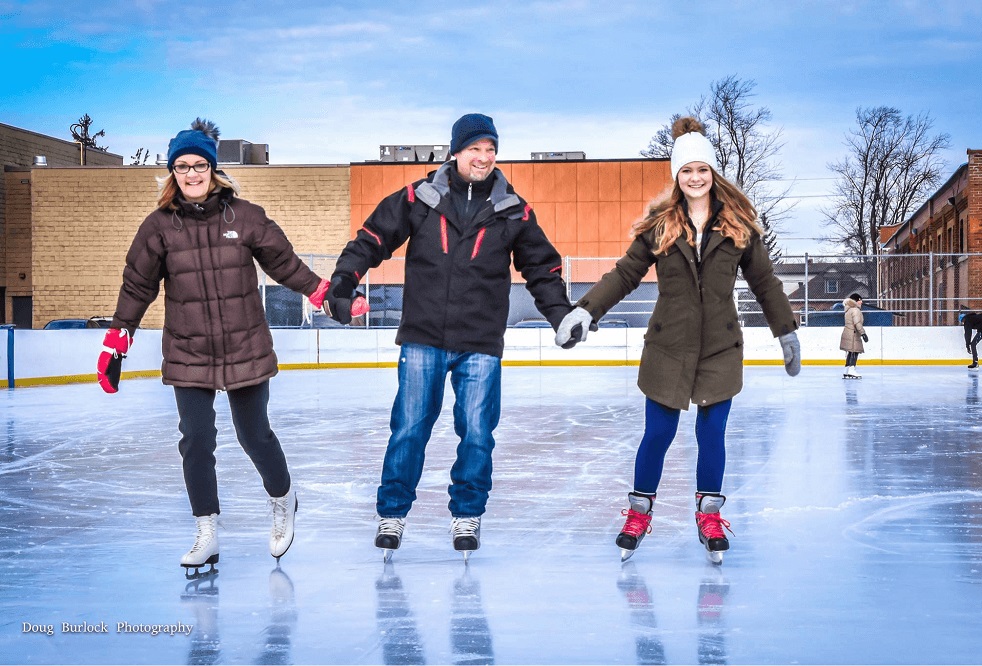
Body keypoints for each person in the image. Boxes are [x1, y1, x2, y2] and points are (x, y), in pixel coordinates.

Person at [325, 113, 576, 560]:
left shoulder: (513, 210)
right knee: (409, 430)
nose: (483, 157)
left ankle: (467, 513)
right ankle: (393, 513)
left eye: (490, 149)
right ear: (456, 151)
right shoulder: (419, 199)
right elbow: (370, 240)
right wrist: (344, 283)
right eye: (475, 148)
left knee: (477, 433)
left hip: (480, 341)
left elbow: (542, 267)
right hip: (423, 337)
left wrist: (560, 315)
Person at [97, 118, 344, 573]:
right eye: (182, 167)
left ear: (213, 169)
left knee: (254, 435)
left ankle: (283, 499)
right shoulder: (158, 227)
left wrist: (324, 295)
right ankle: (207, 529)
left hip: (244, 344)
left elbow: (286, 265)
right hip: (189, 349)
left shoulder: (245, 216)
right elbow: (137, 287)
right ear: (172, 173)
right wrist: (116, 344)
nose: (191, 174)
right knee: (195, 440)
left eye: (199, 165)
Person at [554, 117, 801, 563]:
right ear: (676, 176)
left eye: (702, 170)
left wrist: (786, 331)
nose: (695, 178)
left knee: (713, 435)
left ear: (713, 173)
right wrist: (585, 310)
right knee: (658, 433)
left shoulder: (739, 227)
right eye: (686, 171)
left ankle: (709, 515)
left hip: (721, 348)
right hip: (668, 347)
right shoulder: (660, 227)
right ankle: (639, 512)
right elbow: (625, 274)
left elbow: (765, 283)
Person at [840, 292, 868, 379]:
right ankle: (852, 370)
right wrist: (863, 333)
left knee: (850, 352)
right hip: (854, 333)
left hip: (848, 332)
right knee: (855, 352)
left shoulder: (848, 310)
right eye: (860, 300)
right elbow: (857, 323)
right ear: (856, 301)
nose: (861, 302)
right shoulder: (855, 310)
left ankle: (847, 370)